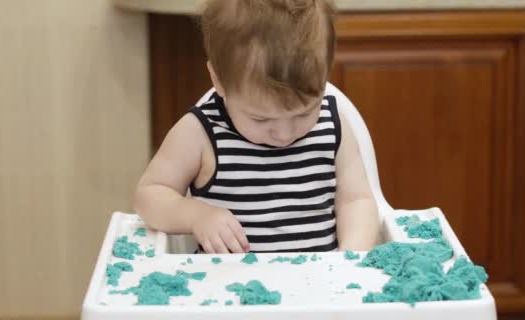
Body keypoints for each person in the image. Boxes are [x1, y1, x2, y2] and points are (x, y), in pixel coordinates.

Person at [133, 0, 379, 253]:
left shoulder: (333, 126)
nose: (284, 134)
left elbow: (356, 201)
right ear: (218, 80)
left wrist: (350, 256)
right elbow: (149, 196)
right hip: (224, 286)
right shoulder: (200, 134)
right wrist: (196, 215)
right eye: (260, 119)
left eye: (304, 113)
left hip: (319, 286)